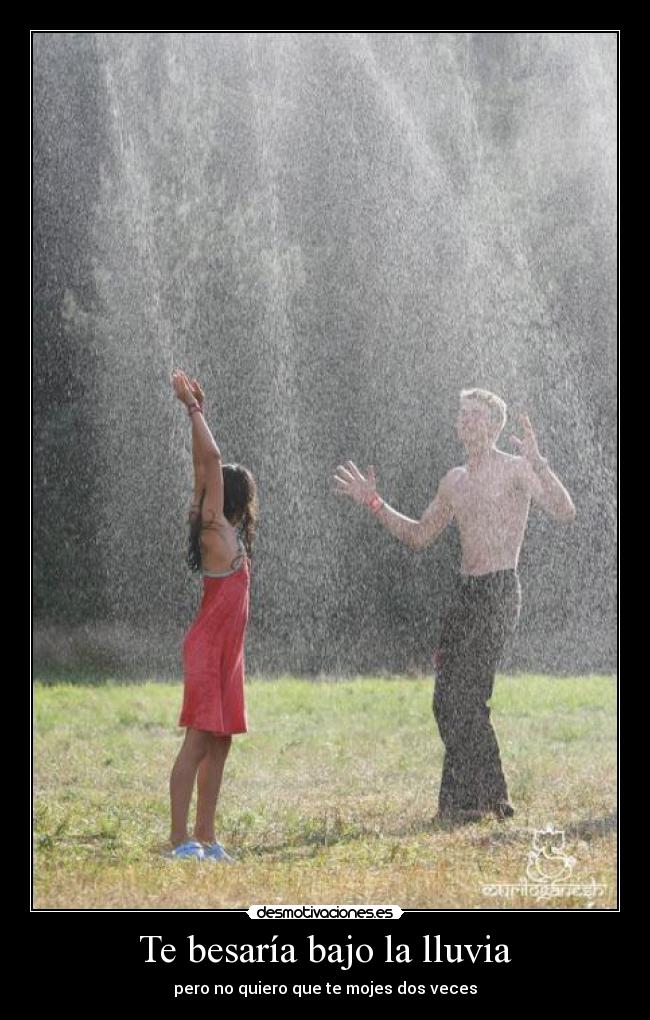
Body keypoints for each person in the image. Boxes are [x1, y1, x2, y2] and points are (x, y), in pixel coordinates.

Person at [334, 388, 576, 823]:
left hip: (500, 590)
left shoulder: (517, 469)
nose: (465, 421)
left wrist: (540, 462)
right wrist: (374, 501)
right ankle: (462, 803)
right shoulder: (454, 480)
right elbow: (419, 535)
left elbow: (564, 511)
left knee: (469, 697)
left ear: (495, 426)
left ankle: (490, 799)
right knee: (446, 701)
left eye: (475, 415)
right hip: (465, 595)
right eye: (462, 414)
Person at [167, 369, 258, 859]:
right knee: (198, 742)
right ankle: (178, 840)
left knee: (220, 745)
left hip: (229, 655)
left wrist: (196, 413)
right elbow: (212, 461)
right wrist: (193, 409)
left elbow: (207, 466)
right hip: (208, 650)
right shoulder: (213, 524)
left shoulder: (229, 534)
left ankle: (206, 836)